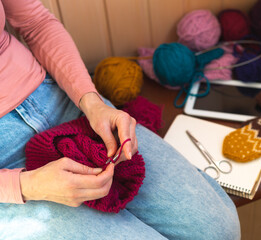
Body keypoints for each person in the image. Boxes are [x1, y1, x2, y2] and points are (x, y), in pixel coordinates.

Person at [0, 0, 241, 239]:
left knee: (219, 230)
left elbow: (35, 22)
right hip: (8, 169)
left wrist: (91, 101)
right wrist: (26, 185)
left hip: (61, 97)